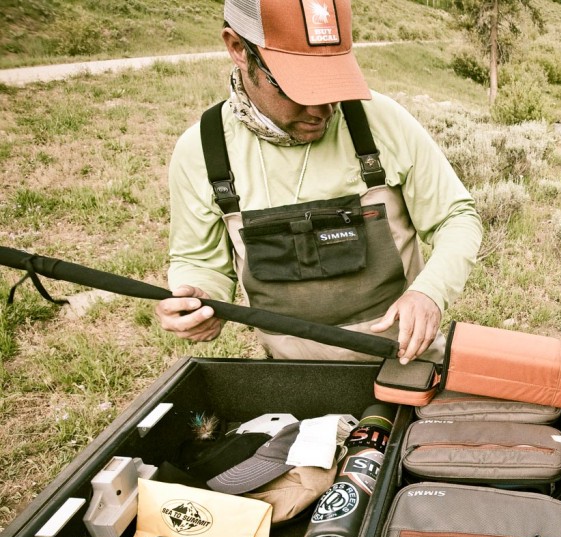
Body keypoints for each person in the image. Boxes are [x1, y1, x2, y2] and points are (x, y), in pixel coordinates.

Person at [154, 0, 482, 364]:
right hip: (293, 380)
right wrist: (198, 298)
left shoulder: (381, 122)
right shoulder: (203, 149)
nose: (322, 109)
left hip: (403, 367)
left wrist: (430, 293)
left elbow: (457, 217)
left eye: (332, 83)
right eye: (298, 88)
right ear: (237, 48)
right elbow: (200, 261)